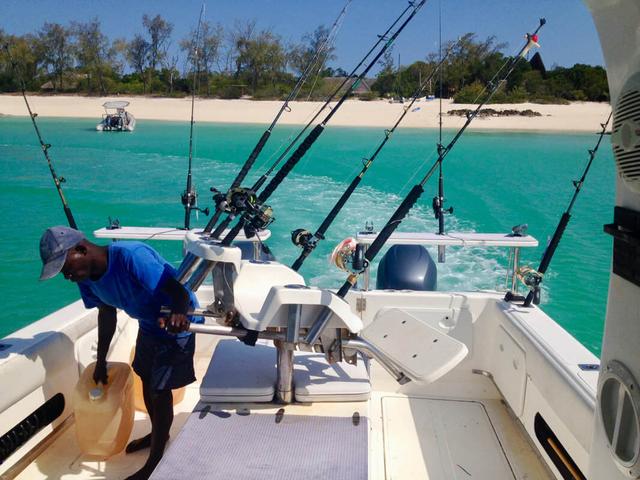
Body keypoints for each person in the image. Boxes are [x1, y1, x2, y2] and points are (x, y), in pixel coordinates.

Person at [39, 226, 202, 480]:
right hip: (149, 325)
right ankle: (159, 434)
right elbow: (106, 314)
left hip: (176, 321)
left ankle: (155, 463)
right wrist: (101, 361)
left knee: (159, 390)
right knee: (146, 379)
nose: (66, 275)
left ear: (81, 249)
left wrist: (179, 313)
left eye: (64, 266)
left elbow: (178, 292)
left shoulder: (130, 256)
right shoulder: (86, 279)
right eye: (60, 271)